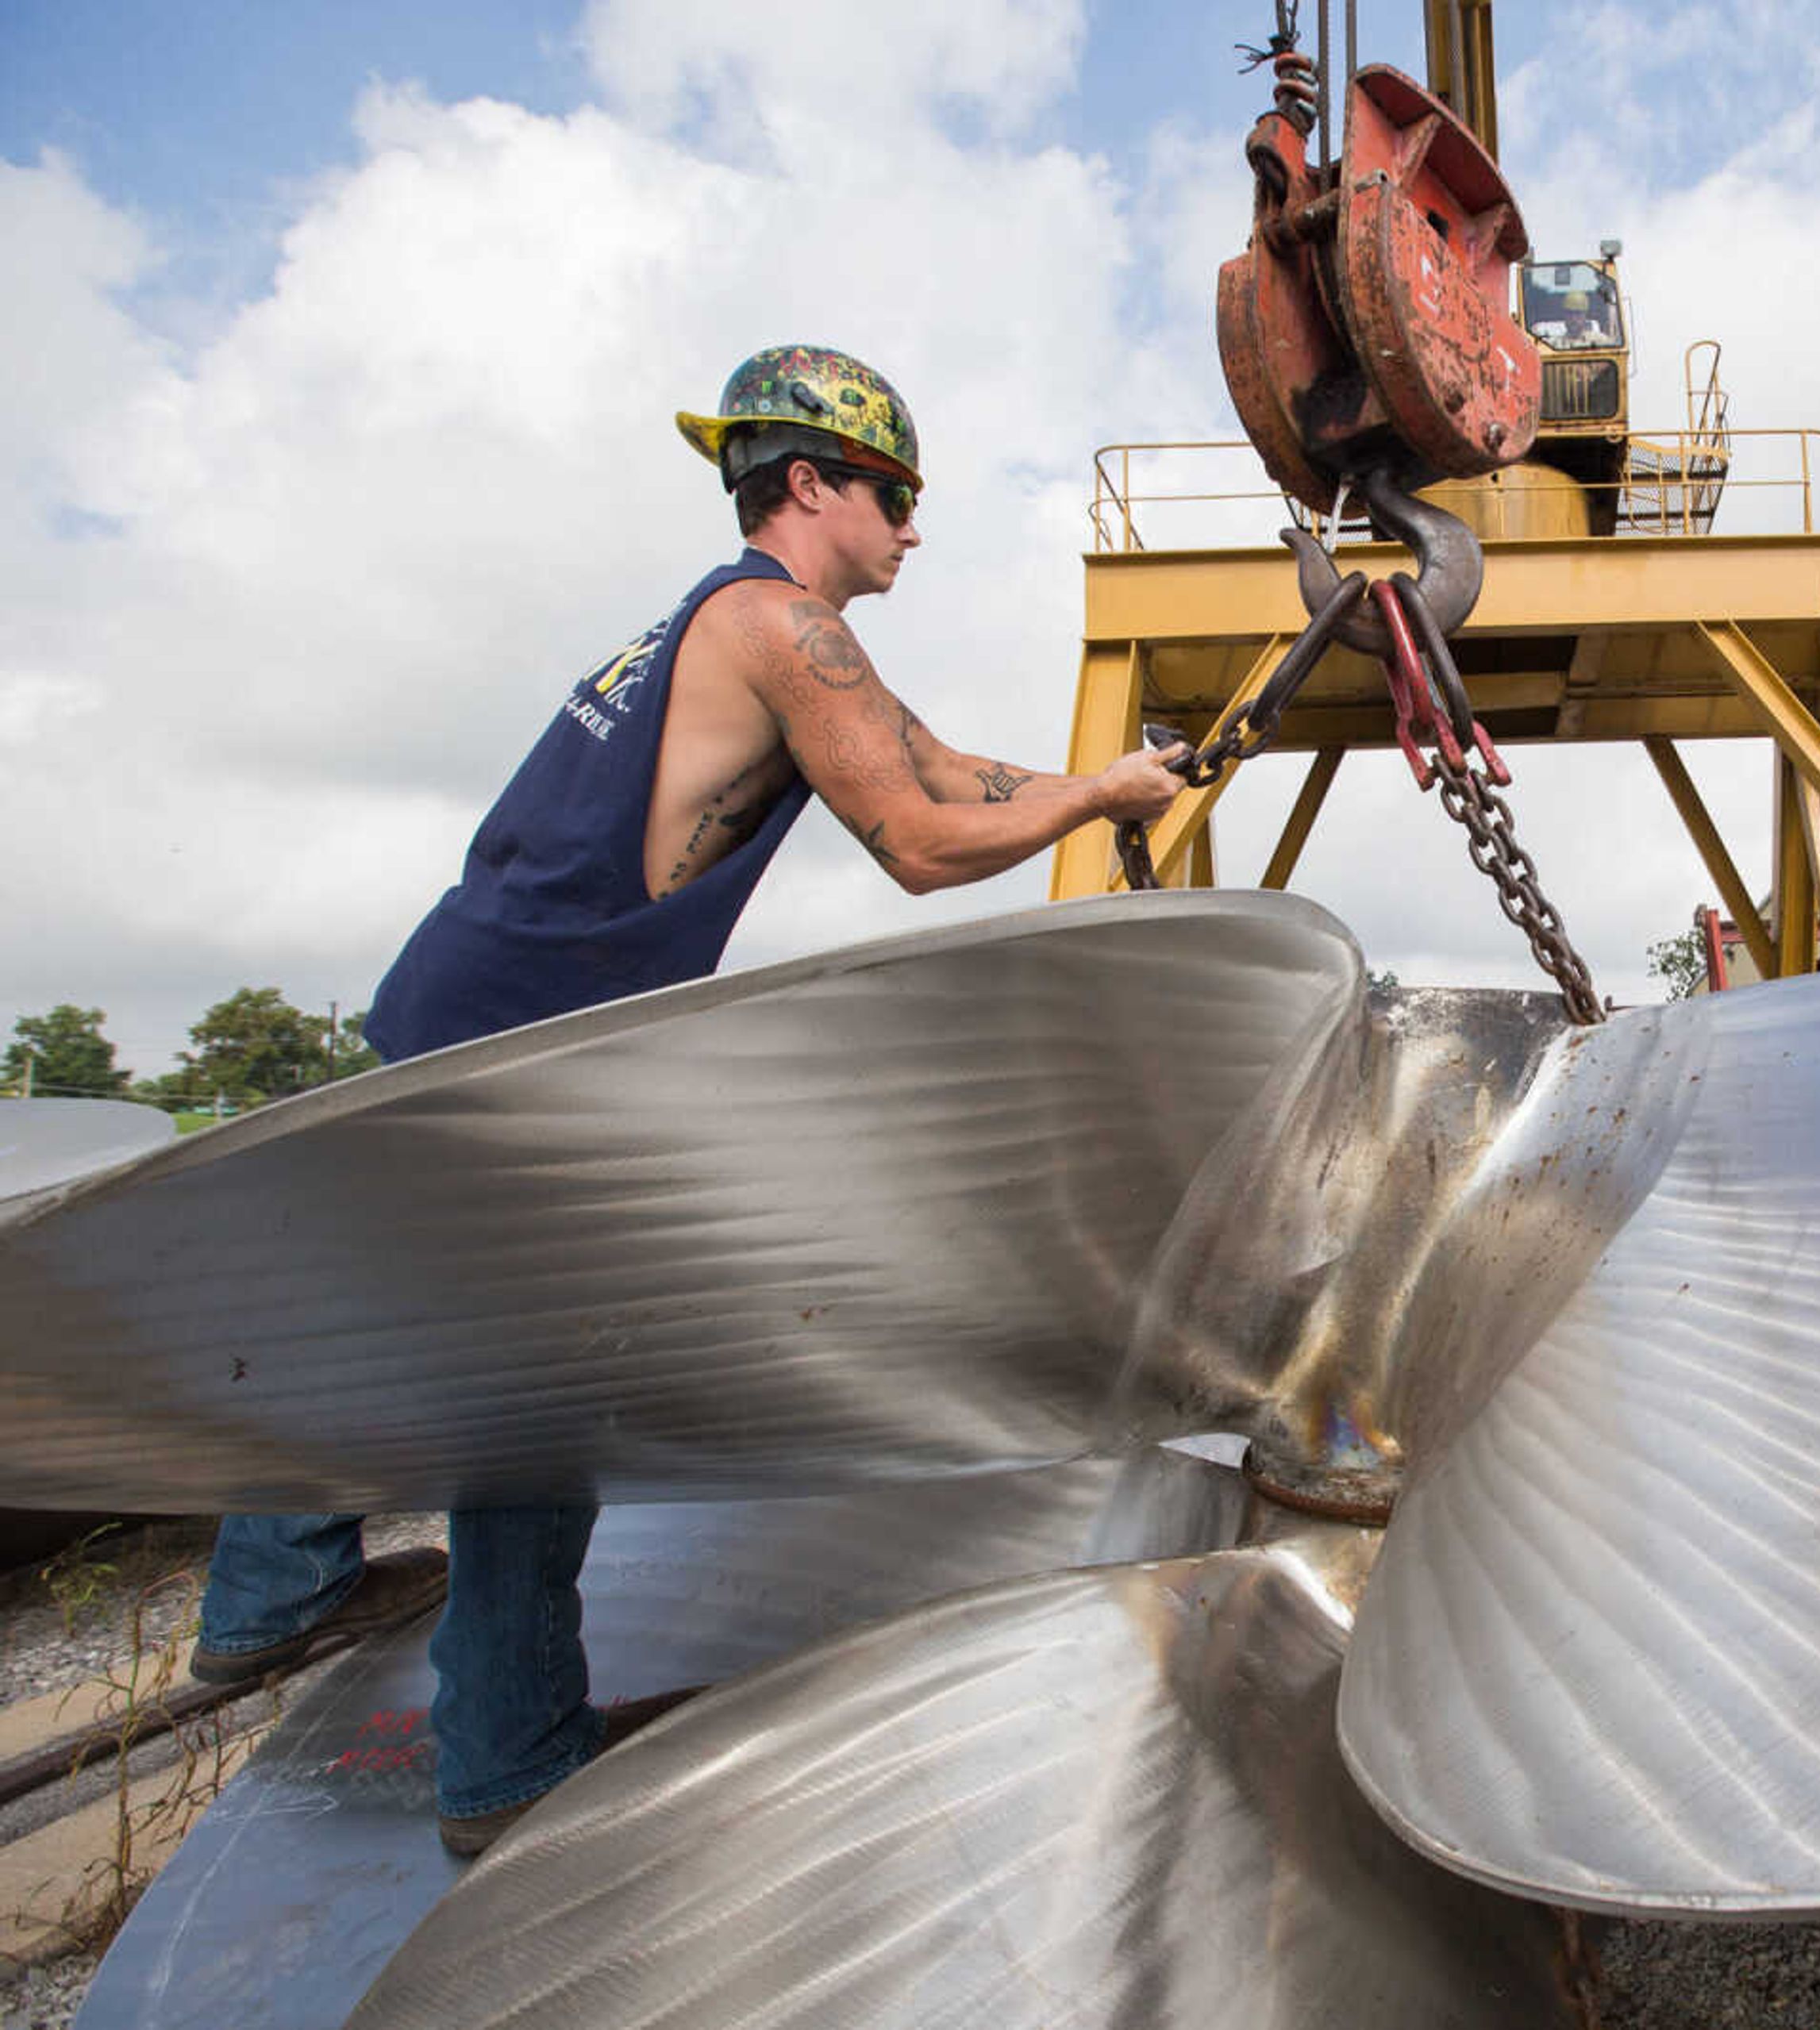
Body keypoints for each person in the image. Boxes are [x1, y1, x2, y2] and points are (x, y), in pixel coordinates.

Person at [191, 344, 1187, 1860]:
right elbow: (920, 840)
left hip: (466, 1002)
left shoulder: (735, 624)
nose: (914, 525)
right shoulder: (788, 628)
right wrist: (1094, 801)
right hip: (528, 1047)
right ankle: (505, 1758)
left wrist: (1103, 779)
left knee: (371, 1308)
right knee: (532, 1407)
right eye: (895, 493)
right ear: (809, 485)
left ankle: (272, 1595)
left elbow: (933, 763)